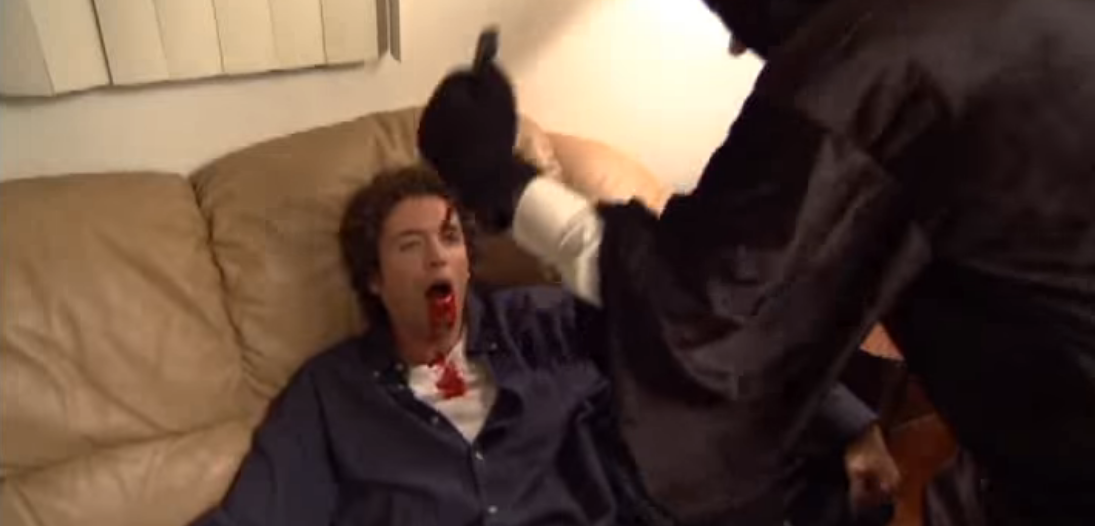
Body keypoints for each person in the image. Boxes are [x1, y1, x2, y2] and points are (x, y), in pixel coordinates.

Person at [416, 0, 1095, 524]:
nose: (739, 45)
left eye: (734, 14)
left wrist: (501, 182)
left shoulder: (872, 57)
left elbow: (697, 319)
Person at [190, 165, 897, 526]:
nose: (437, 257)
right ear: (373, 279)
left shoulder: (543, 322)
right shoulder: (331, 393)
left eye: (450, 238)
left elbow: (701, 343)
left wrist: (851, 425)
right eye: (410, 245)